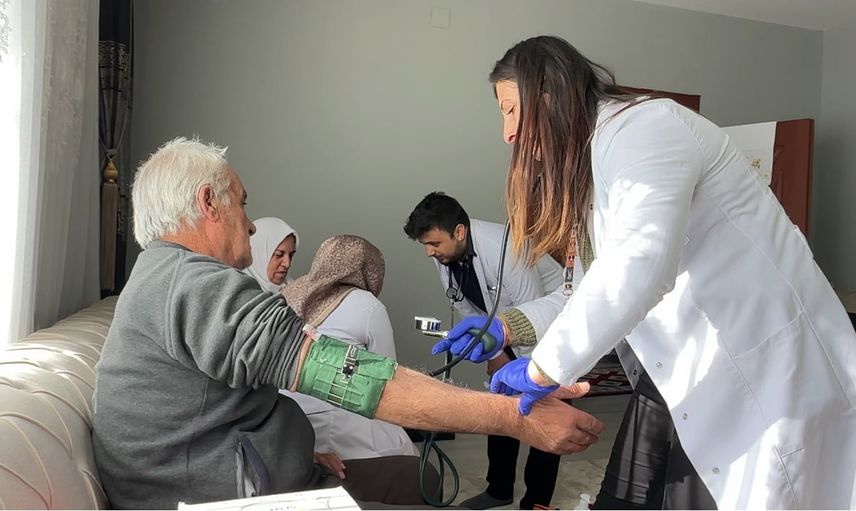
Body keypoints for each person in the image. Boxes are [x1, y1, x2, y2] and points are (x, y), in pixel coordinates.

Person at [436, 35, 856, 510]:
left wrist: (542, 370)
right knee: (623, 500)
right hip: (679, 371)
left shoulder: (647, 128)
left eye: (511, 110)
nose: (507, 134)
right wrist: (506, 326)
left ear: (549, 94)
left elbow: (641, 265)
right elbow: (587, 291)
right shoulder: (596, 166)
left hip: (759, 367)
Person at [91, 136, 604, 510]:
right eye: (242, 203)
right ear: (208, 202)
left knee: (412, 482)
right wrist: (517, 417)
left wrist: (301, 453)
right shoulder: (194, 285)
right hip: (224, 497)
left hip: (252, 476)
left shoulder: (165, 276)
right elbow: (356, 379)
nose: (248, 223)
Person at [404, 191, 565, 510]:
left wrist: (530, 373)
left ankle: (537, 501)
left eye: (434, 243)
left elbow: (532, 310)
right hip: (506, 332)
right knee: (500, 407)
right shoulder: (446, 257)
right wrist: (496, 356)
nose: (429, 252)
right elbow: (467, 310)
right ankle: (499, 489)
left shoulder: (505, 248)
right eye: (425, 245)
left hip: (551, 329)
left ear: (459, 231)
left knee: (547, 414)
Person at [243, 216, 299, 291]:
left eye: (291, 255)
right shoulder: (240, 294)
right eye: (278, 254)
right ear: (257, 255)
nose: (287, 264)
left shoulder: (294, 290)